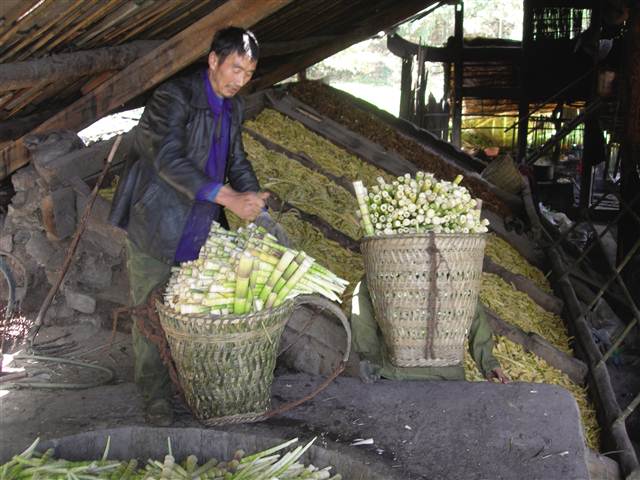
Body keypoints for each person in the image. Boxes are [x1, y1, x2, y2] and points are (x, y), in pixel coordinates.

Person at [109, 27, 286, 425]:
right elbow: (166, 158)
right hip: (158, 220)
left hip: (200, 223)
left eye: (248, 73)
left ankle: (191, 385)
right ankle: (154, 396)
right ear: (213, 60)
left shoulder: (233, 107)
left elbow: (235, 158)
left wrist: (252, 196)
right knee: (150, 309)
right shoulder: (173, 97)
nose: (240, 81)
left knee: (193, 308)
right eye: (235, 68)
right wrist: (228, 198)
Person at [351, 278, 509, 383]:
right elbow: (474, 312)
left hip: (393, 373)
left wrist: (370, 357)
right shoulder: (455, 272)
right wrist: (488, 363)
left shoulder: (386, 268)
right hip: (447, 377)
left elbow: (361, 308)